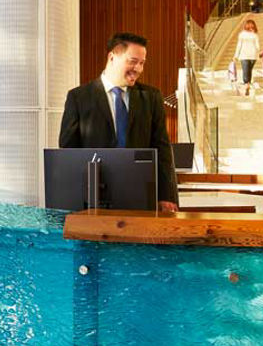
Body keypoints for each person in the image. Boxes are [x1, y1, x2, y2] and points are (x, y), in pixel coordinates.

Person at [58, 32, 179, 212]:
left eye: (142, 63)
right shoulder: (78, 98)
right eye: (133, 61)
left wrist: (166, 196)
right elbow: (68, 152)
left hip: (141, 198)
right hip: (94, 200)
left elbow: (162, 149)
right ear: (112, 57)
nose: (138, 69)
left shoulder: (151, 97)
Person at [233, 19, 261, 94]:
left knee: (248, 70)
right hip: (244, 55)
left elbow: (258, 46)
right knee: (246, 70)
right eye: (250, 25)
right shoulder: (242, 34)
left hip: (253, 56)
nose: (251, 26)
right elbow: (239, 45)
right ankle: (247, 85)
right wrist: (236, 55)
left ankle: (247, 84)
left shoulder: (255, 34)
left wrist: (259, 53)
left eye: (252, 25)